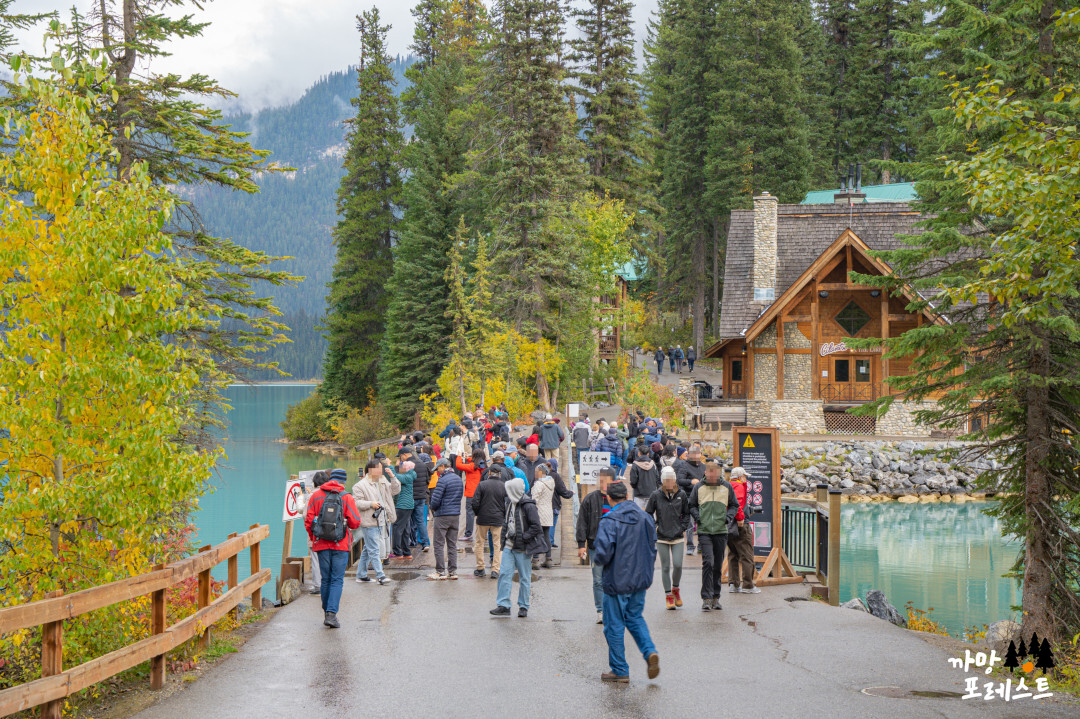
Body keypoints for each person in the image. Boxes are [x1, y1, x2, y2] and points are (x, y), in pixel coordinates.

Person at [593, 480, 660, 683]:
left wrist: (597, 559)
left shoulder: (609, 520)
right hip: (640, 579)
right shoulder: (645, 517)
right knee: (635, 617)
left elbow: (603, 554)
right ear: (627, 496)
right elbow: (652, 548)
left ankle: (620, 669)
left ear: (609, 498)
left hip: (617, 580)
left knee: (613, 625)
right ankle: (649, 652)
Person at [304, 467, 362, 628]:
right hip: (341, 544)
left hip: (321, 543)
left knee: (326, 578)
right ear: (342, 481)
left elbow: (308, 521)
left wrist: (314, 537)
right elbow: (356, 521)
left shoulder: (315, 496)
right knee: (337, 579)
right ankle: (331, 613)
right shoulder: (346, 497)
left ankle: (326, 610)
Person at [688, 462, 740, 611]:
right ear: (706, 473)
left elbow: (734, 505)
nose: (712, 476)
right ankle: (706, 597)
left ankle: (716, 597)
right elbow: (691, 505)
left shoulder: (727, 487)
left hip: (721, 531)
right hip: (705, 531)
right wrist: (698, 518)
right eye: (710, 473)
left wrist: (727, 518)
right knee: (708, 563)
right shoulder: (699, 487)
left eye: (715, 473)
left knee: (717, 565)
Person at [490, 477, 544, 618]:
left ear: (514, 491)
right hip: (509, 545)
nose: (507, 493)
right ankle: (503, 605)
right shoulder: (510, 504)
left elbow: (536, 527)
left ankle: (524, 606)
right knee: (504, 574)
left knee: (524, 577)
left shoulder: (529, 506)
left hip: (523, 548)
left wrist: (523, 537)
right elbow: (507, 522)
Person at [645, 467, 691, 609]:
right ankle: (668, 596)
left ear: (675, 480)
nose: (669, 482)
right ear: (663, 481)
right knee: (665, 567)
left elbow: (687, 514)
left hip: (677, 535)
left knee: (677, 565)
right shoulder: (656, 495)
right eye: (667, 480)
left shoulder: (681, 494)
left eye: (671, 479)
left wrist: (682, 527)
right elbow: (648, 514)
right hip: (662, 536)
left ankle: (675, 589)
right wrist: (656, 526)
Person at [576, 466, 616, 624]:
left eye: (605, 478)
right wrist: (581, 544)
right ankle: (600, 611)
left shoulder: (618, 499)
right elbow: (582, 522)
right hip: (596, 545)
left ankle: (613, 609)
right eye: (600, 478)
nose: (602, 481)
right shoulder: (590, 498)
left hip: (615, 546)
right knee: (598, 580)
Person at [351, 460, 398, 585]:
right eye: (379, 468)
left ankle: (361, 575)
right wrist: (370, 504)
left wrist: (393, 477)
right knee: (374, 549)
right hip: (369, 520)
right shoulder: (360, 485)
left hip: (382, 519)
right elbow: (356, 502)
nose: (381, 470)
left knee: (368, 548)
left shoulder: (382, 481)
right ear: (371, 469)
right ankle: (380, 575)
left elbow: (395, 490)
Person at [471, 455, 508, 578]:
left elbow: (475, 502)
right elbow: (507, 503)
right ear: (500, 474)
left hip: (483, 518)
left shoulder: (482, 485)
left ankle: (480, 568)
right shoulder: (503, 486)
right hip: (498, 519)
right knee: (498, 544)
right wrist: (502, 515)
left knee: (479, 543)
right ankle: (495, 570)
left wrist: (478, 513)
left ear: (490, 472)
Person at [428, 457, 464, 580]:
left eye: (438, 468)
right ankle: (453, 572)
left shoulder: (442, 480)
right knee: (452, 544)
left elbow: (435, 500)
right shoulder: (458, 479)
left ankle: (440, 571)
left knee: (438, 544)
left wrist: (433, 508)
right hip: (455, 515)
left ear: (443, 466)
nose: (437, 471)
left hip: (442, 515)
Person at [727, 467, 760, 594]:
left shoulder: (727, 486)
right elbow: (738, 504)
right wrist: (740, 518)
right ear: (740, 477)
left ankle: (734, 584)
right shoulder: (739, 486)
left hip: (729, 525)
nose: (746, 478)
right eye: (745, 476)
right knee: (747, 554)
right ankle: (748, 585)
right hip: (740, 524)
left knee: (732, 554)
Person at [674, 447, 706, 555]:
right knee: (690, 523)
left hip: (702, 497)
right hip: (689, 497)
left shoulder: (703, 466)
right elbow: (679, 480)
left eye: (698, 454)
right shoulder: (684, 465)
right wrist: (691, 481)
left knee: (702, 521)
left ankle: (701, 545)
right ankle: (690, 546)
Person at [454, 449, 485, 543]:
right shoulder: (482, 464)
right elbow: (473, 461)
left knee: (470, 513)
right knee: (481, 512)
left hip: (472, 493)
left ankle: (468, 534)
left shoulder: (472, 466)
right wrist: (467, 457)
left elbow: (458, 465)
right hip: (481, 492)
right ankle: (485, 534)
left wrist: (459, 456)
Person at [530, 463, 556, 569]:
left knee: (536, 536)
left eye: (537, 471)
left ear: (541, 472)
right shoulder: (551, 482)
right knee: (546, 536)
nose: (535, 473)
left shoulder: (539, 484)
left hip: (539, 512)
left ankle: (535, 560)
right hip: (548, 511)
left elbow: (534, 499)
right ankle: (548, 559)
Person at [546, 457, 574, 551]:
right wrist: (571, 493)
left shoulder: (541, 475)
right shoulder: (555, 476)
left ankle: (545, 542)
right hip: (553, 504)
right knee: (552, 524)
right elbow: (562, 491)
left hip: (543, 504)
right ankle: (550, 542)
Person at [410, 443, 434, 553]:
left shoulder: (409, 465)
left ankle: (412, 542)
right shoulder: (425, 466)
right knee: (420, 521)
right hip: (422, 496)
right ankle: (425, 542)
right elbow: (428, 480)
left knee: (409, 521)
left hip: (411, 496)